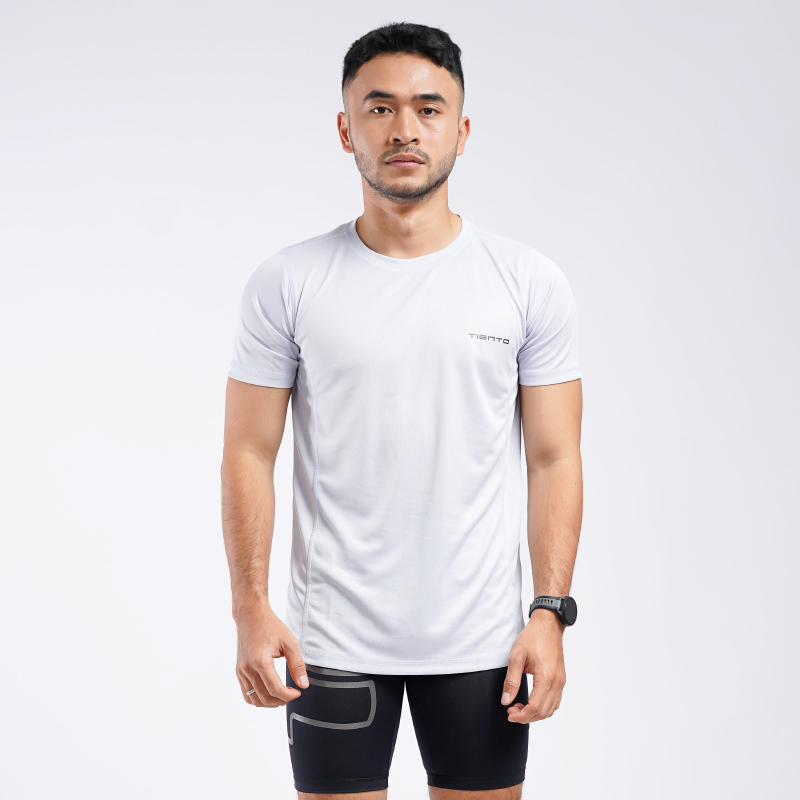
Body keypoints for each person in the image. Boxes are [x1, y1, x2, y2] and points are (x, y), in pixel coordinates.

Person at [221, 21, 583, 800]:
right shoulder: (288, 282)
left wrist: (550, 612)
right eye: (380, 108)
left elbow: (555, 458)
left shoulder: (527, 281)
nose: (405, 129)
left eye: (428, 107)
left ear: (462, 130)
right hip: (332, 645)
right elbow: (249, 451)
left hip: (484, 644)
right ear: (345, 128)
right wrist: (249, 606)